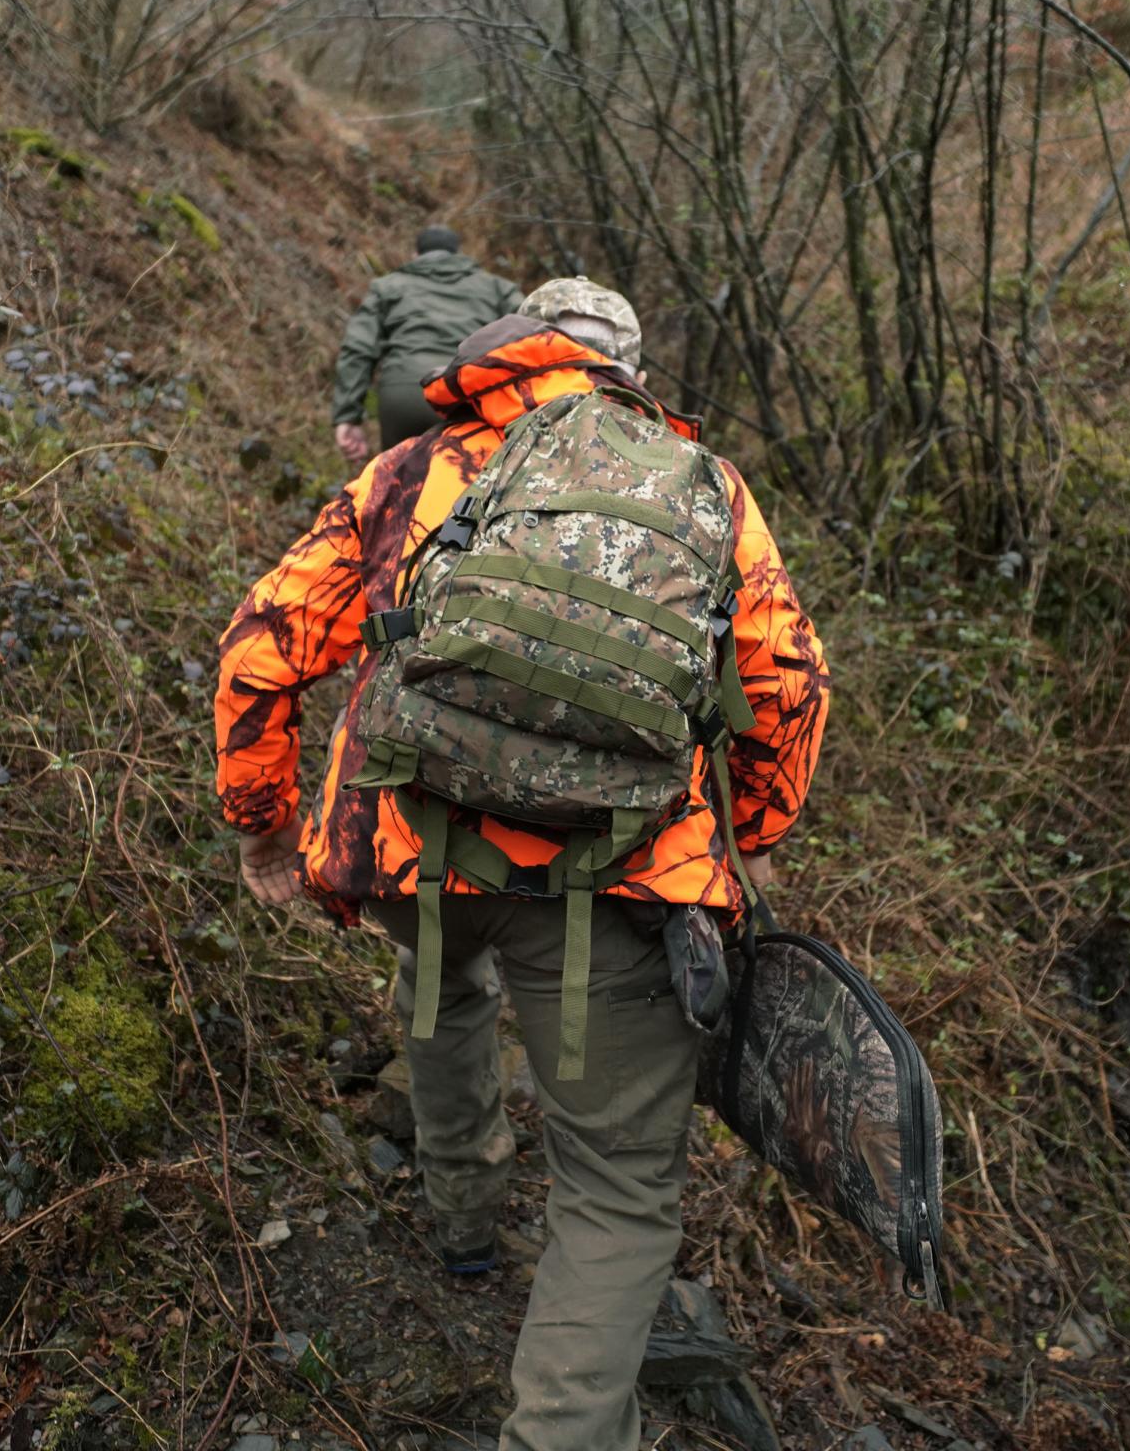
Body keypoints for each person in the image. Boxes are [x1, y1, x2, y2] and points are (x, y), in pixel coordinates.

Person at [216, 277, 830, 1451]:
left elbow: (260, 646)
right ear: (629, 369)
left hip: (413, 845)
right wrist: (739, 837)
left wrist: (264, 821)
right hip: (616, 882)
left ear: (505, 351)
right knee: (613, 1192)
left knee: (440, 986)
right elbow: (789, 689)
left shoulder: (410, 470)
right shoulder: (700, 486)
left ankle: (461, 1219)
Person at [332, 225, 522, 461]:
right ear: (458, 254)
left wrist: (347, 416)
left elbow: (358, 349)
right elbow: (527, 334)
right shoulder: (496, 288)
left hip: (404, 396)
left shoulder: (387, 287)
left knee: (398, 483)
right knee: (464, 483)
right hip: (464, 394)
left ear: (415, 255)